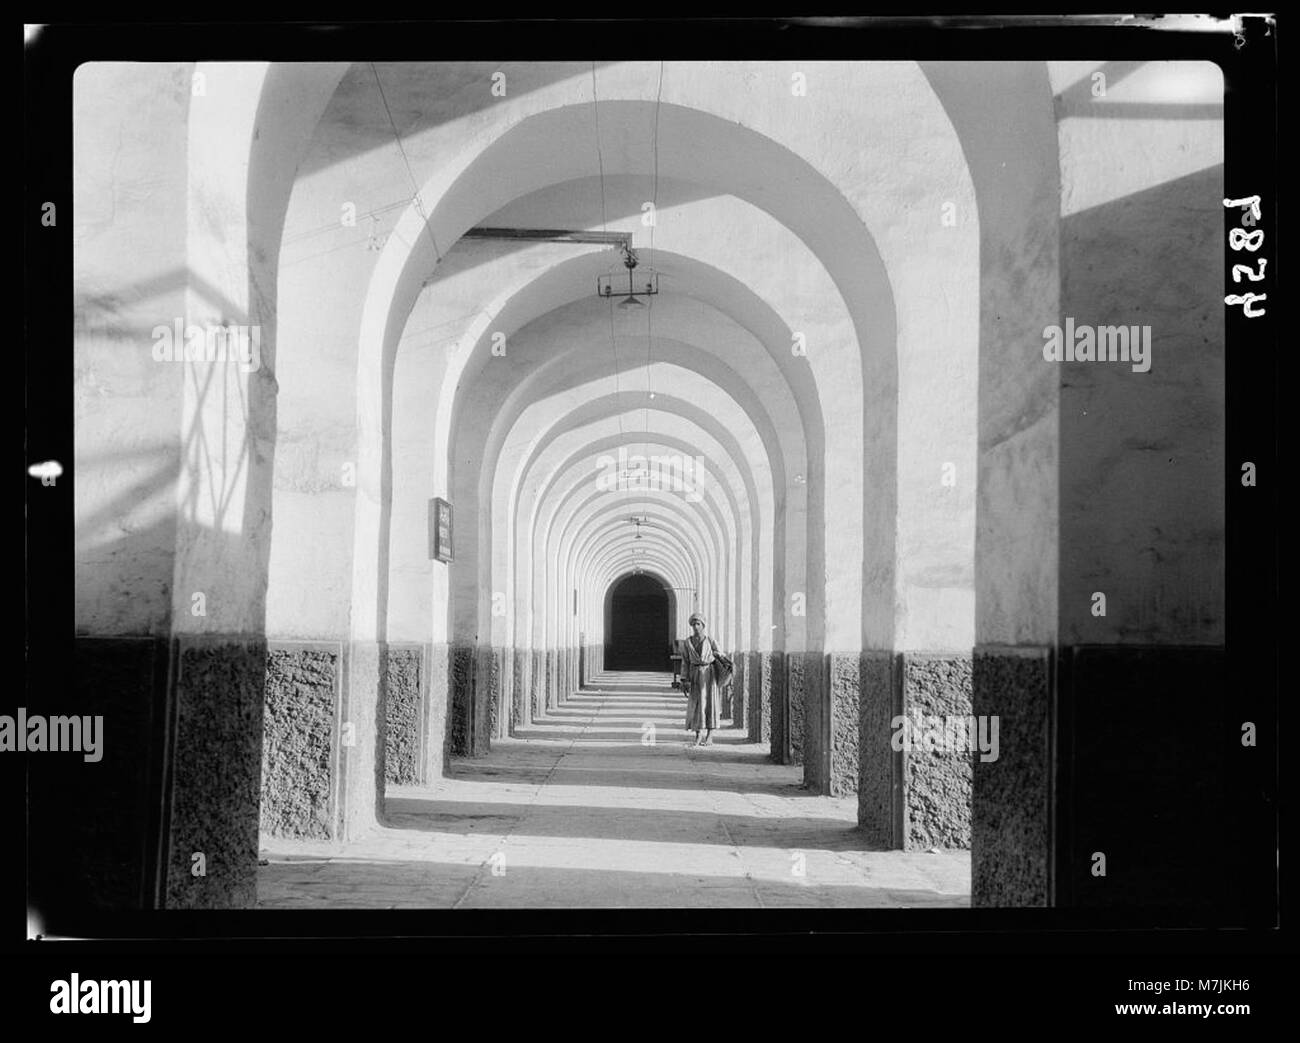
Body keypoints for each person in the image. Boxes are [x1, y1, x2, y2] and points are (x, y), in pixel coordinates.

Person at [679, 613, 730, 746]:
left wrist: (721, 658)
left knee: (710, 704)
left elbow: (720, 654)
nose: (696, 627)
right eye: (694, 624)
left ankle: (710, 736)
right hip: (695, 675)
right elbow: (685, 661)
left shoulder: (710, 640)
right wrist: (684, 679)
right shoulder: (687, 642)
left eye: (698, 624)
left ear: (703, 626)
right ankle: (698, 735)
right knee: (696, 705)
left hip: (709, 675)